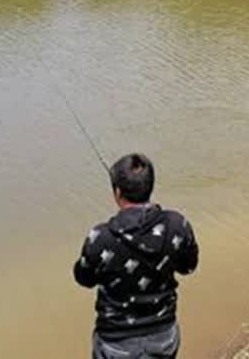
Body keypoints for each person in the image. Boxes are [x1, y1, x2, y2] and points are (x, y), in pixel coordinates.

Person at [74, 153, 198, 359]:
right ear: (150, 186)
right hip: (163, 335)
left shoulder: (101, 237)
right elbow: (189, 267)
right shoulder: (178, 225)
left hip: (115, 341)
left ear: (117, 192)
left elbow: (83, 278)